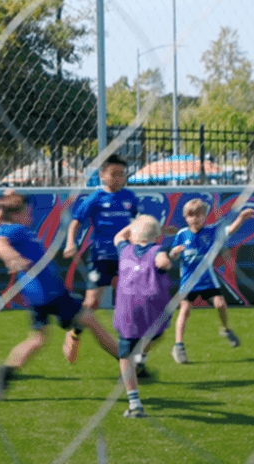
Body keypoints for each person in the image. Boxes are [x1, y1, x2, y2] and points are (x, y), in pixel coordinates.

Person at [0, 190, 119, 401]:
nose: (30, 217)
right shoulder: (16, 230)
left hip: (39, 296)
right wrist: (13, 257)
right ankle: (131, 365)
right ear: (16, 215)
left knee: (37, 340)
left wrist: (2, 207)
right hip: (52, 294)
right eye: (27, 213)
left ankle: (5, 373)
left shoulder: (5, 227)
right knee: (90, 320)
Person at [60, 154, 166, 362]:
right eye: (114, 174)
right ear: (102, 176)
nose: (118, 178)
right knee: (91, 303)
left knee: (134, 303)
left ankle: (133, 354)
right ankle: (75, 333)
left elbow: (141, 223)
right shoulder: (96, 198)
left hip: (127, 257)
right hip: (101, 257)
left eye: (122, 174)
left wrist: (158, 232)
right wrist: (70, 243)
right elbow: (75, 222)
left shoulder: (130, 198)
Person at [168, 199, 254, 364]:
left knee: (220, 304)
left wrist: (242, 218)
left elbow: (230, 230)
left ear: (205, 216)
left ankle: (226, 329)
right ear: (186, 218)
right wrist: (175, 252)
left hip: (207, 280)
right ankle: (178, 346)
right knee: (185, 310)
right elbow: (172, 255)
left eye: (199, 215)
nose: (195, 218)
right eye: (191, 215)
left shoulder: (212, 231)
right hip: (189, 282)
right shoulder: (182, 235)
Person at [112, 214, 176, 418]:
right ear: (157, 238)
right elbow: (162, 261)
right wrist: (168, 259)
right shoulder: (158, 250)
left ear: (132, 236)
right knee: (157, 335)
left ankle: (134, 402)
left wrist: (133, 227)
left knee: (125, 356)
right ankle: (143, 356)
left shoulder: (124, 249)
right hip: (152, 312)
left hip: (128, 312)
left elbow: (118, 236)